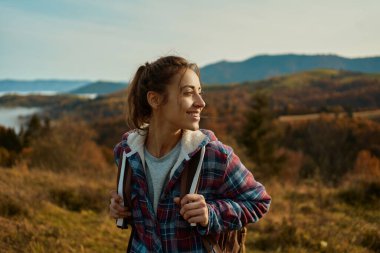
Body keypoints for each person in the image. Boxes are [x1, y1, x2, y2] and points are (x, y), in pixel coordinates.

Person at [109, 55, 271, 252]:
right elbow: (146, 219)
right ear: (154, 99)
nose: (201, 102)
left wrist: (211, 214)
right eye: (188, 93)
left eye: (200, 92)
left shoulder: (215, 156)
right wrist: (121, 209)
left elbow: (258, 201)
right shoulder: (126, 154)